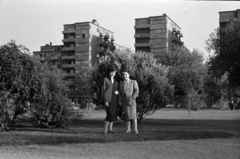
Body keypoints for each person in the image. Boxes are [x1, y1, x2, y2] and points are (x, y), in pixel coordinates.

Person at [119, 69, 139, 134]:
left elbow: (136, 91)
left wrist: (133, 98)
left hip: (132, 102)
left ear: (128, 75)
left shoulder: (133, 82)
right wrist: (120, 100)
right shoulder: (121, 83)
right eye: (123, 75)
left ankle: (135, 129)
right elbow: (120, 93)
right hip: (124, 102)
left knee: (133, 116)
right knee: (127, 116)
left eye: (126, 74)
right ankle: (128, 129)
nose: (125, 76)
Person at [101, 66, 119, 134]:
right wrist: (105, 100)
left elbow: (116, 89)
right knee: (109, 114)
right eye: (111, 72)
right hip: (108, 99)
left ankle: (111, 129)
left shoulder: (115, 81)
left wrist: (117, 92)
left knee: (113, 114)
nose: (113, 74)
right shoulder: (106, 79)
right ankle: (105, 130)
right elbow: (103, 90)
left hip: (114, 99)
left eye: (114, 72)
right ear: (109, 73)